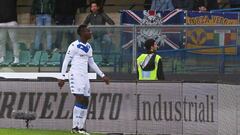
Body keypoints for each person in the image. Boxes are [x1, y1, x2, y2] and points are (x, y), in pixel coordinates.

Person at [58, 24, 110, 134]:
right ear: (82, 33)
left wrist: (102, 75)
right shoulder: (74, 45)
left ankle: (81, 128)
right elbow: (66, 61)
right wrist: (62, 77)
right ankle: (74, 127)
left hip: (84, 76)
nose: (90, 33)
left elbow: (92, 63)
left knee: (86, 100)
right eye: (88, 31)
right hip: (75, 74)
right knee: (80, 98)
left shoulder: (89, 47)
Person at [83, 1, 115, 66]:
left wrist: (111, 32)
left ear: (98, 7)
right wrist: (88, 32)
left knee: (108, 41)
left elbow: (111, 22)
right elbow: (84, 25)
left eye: (95, 6)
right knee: (92, 47)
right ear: (90, 8)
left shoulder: (102, 14)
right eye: (92, 7)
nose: (93, 8)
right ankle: (94, 62)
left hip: (103, 35)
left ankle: (105, 61)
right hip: (95, 36)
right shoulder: (89, 16)